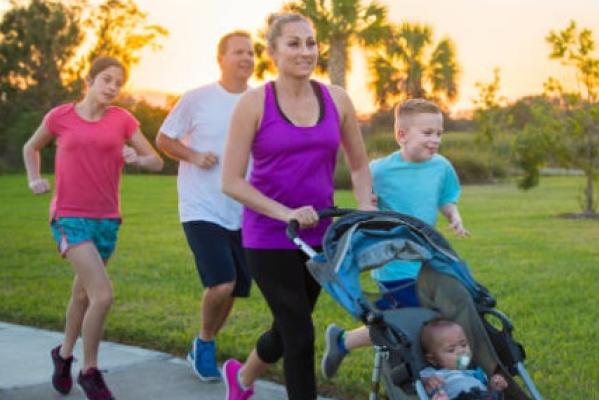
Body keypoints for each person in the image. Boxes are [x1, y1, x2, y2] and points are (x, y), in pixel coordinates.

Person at [219, 12, 374, 400]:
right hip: (268, 236)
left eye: (310, 43)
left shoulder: (336, 99)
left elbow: (358, 165)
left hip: (320, 236)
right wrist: (284, 212)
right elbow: (231, 181)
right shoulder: (253, 104)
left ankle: (240, 379)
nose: (305, 51)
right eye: (294, 43)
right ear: (272, 52)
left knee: (287, 327)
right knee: (300, 335)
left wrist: (366, 208)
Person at [22, 56, 163, 400]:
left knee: (83, 294)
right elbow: (31, 147)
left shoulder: (123, 121)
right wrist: (34, 178)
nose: (113, 87)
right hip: (69, 216)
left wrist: (138, 159)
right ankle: (90, 371)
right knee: (103, 295)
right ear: (89, 80)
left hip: (107, 220)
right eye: (107, 80)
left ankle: (63, 355)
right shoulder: (61, 117)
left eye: (119, 82)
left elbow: (157, 161)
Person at [321, 98, 469, 378]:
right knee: (405, 327)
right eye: (427, 133)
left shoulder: (441, 167)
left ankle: (342, 341)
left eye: (439, 133)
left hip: (427, 261)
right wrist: (369, 202)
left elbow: (447, 198)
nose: (435, 140)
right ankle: (409, 376)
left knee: (416, 323)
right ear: (402, 135)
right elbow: (364, 196)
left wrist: (454, 216)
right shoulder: (380, 170)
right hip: (394, 267)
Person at [155, 30, 255, 381]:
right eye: (239, 52)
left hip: (243, 210)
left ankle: (203, 342)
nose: (247, 58)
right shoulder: (197, 98)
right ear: (221, 58)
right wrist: (194, 155)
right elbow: (164, 139)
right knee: (222, 283)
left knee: (237, 288)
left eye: (251, 53)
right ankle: (206, 343)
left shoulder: (259, 101)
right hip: (201, 207)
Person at [420, 318, 508, 400]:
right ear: (433, 359)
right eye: (451, 350)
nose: (461, 351)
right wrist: (428, 381)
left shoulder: (476, 372)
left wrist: (494, 385)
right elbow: (419, 380)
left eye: (463, 345)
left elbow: (485, 389)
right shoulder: (436, 373)